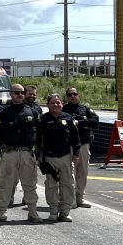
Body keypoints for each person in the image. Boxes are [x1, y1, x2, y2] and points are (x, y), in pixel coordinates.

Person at [0, 84, 42, 223]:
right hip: (9, 153)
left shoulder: (32, 112)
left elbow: (39, 133)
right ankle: (2, 211)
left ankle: (32, 212)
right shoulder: (3, 113)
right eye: (16, 92)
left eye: (22, 92)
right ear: (11, 94)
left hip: (27, 153)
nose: (20, 95)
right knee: (5, 183)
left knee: (30, 184)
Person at [38, 93, 81, 223]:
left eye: (58, 103)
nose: (56, 105)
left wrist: (76, 154)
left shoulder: (68, 118)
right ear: (48, 105)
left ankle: (65, 212)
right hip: (49, 158)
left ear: (62, 104)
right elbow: (38, 139)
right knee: (51, 185)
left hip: (66, 157)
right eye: (53, 103)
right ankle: (53, 210)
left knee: (67, 185)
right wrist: (39, 156)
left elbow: (75, 138)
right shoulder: (43, 119)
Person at [62, 86, 99, 208]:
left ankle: (80, 197)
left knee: (82, 172)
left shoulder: (86, 109)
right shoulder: (63, 110)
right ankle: (70, 198)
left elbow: (95, 122)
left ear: (78, 95)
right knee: (69, 173)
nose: (73, 96)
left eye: (75, 94)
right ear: (67, 97)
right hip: (68, 146)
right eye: (70, 95)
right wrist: (81, 122)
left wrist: (79, 122)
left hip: (83, 145)